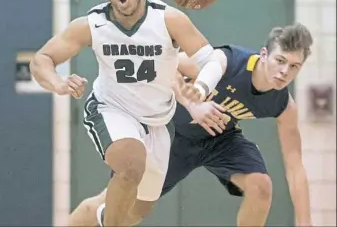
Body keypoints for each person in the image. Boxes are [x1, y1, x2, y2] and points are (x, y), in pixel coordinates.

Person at [30, 0, 226, 227]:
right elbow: (42, 59)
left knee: (137, 212)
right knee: (131, 166)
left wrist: (201, 88)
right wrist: (58, 83)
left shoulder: (169, 20)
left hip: (157, 122)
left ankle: (91, 217)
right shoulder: (91, 25)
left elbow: (213, 59)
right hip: (111, 109)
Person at [72, 23, 313, 227]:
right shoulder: (227, 61)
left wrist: (305, 223)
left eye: (294, 66)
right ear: (263, 55)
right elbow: (165, 63)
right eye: (280, 60)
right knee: (123, 213)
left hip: (220, 139)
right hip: (171, 133)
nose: (284, 72)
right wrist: (192, 104)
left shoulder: (283, 105)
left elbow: (295, 169)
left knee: (261, 186)